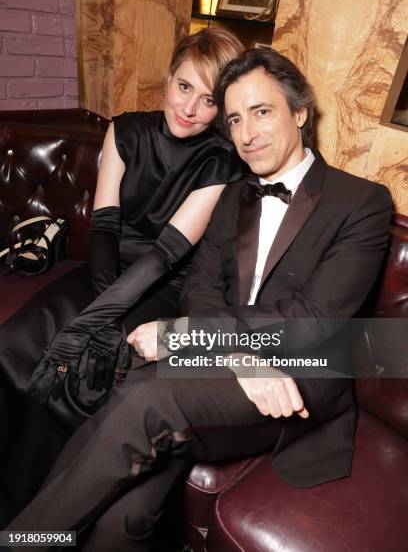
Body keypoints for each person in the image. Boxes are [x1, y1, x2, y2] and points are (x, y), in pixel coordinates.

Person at [7, 48, 392, 551]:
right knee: (125, 514)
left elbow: (312, 322)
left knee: (146, 396)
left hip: (297, 379)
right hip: (226, 366)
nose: (247, 134)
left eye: (262, 111)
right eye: (235, 119)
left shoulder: (361, 201)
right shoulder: (233, 195)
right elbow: (200, 288)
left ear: (299, 113)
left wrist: (186, 336)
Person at [0, 27, 246, 527]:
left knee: (82, 382)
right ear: (167, 80)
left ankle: (40, 524)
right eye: (184, 87)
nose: (190, 108)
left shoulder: (221, 162)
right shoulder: (125, 129)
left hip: (162, 286)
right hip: (104, 272)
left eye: (209, 100)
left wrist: (99, 327)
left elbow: (165, 256)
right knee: (12, 349)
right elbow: (106, 227)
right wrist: (93, 314)